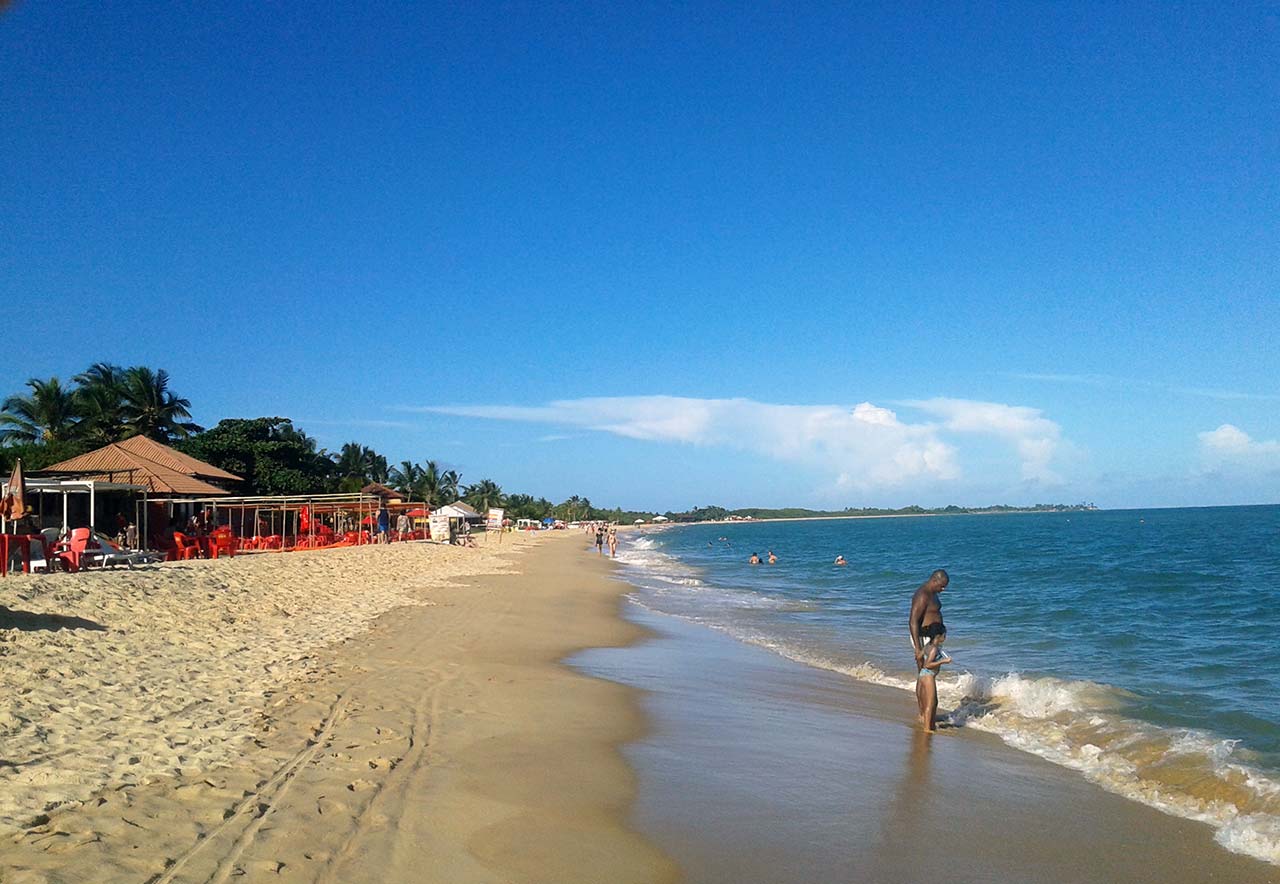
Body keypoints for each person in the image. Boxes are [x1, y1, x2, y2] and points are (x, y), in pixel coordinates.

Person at [908, 569, 950, 729]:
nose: (943, 589)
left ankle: (926, 712)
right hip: (923, 639)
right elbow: (913, 621)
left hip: (932, 638)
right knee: (925, 676)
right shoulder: (923, 594)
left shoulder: (933, 593)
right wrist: (918, 649)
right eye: (942, 586)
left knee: (927, 675)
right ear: (934, 580)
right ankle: (923, 713)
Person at [916, 633, 952, 732]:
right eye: (944, 634)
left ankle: (929, 723)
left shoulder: (928, 645)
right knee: (931, 703)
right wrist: (943, 661)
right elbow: (928, 664)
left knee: (934, 702)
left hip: (923, 674)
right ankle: (927, 729)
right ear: (938, 635)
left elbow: (919, 656)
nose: (945, 636)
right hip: (928, 675)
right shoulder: (934, 648)